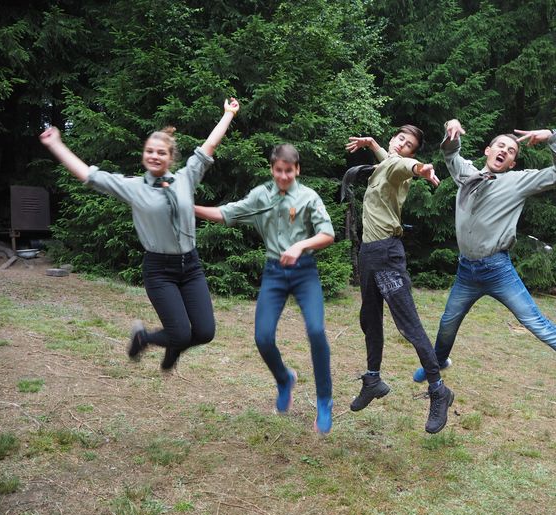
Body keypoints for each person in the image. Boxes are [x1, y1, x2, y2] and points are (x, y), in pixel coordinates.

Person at [411, 119, 556, 426]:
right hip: (467, 271)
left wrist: (551, 137)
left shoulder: (518, 182)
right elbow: (450, 153)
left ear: (512, 162)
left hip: (498, 271)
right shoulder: (467, 175)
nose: (504, 151)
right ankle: (437, 362)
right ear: (488, 151)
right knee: (447, 324)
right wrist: (452, 128)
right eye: (500, 146)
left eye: (511, 150)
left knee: (541, 327)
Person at [39, 98, 240, 371]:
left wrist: (228, 113)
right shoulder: (133, 188)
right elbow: (89, 175)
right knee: (181, 333)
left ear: (170, 157)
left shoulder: (186, 178)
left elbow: (210, 145)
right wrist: (55, 144)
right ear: (144, 155)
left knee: (205, 332)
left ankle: (173, 346)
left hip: (191, 266)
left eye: (161, 152)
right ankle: (144, 338)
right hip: (159, 270)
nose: (154, 156)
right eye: (149, 151)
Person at [194, 144, 335, 434]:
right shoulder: (260, 196)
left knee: (316, 331)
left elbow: (327, 234)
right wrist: (190, 208)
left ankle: (324, 400)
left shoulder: (309, 197)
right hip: (274, 272)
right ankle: (284, 379)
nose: (283, 176)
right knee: (263, 337)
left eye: (288, 171)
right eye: (278, 170)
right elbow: (226, 213)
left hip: (304, 272)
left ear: (297, 169)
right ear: (272, 169)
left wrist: (299, 246)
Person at [345, 126, 455, 434]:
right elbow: (388, 157)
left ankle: (439, 390)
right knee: (369, 320)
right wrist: (371, 143)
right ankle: (373, 380)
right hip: (369, 254)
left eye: (408, 145)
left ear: (411, 153)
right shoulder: (386, 162)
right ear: (393, 139)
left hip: (386, 255)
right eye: (400, 139)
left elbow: (405, 165)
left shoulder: (397, 165)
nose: (402, 145)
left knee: (409, 325)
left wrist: (421, 168)